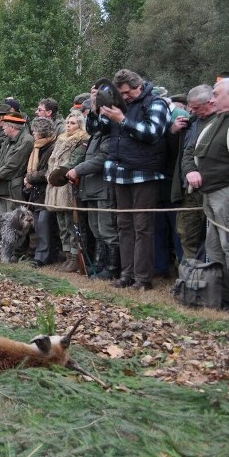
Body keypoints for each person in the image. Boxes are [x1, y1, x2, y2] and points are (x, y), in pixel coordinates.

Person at [87, 70, 171, 291]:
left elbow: (153, 133)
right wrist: (96, 108)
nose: (124, 97)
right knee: (124, 226)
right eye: (120, 93)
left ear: (139, 86)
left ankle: (143, 279)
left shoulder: (156, 103)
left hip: (145, 172)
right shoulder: (118, 105)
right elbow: (96, 130)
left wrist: (123, 120)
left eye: (127, 92)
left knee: (143, 227)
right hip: (119, 173)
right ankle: (127, 274)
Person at [183, 77, 229, 310]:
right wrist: (192, 170)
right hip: (209, 194)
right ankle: (222, 295)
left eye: (216, 94)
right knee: (215, 247)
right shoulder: (216, 121)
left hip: (228, 193)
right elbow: (193, 152)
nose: (212, 98)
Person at [68, 93, 119, 280]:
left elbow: (102, 158)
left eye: (88, 113)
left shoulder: (107, 132)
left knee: (107, 230)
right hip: (91, 188)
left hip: (103, 187)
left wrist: (78, 169)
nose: (86, 117)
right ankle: (99, 264)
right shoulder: (95, 134)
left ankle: (112, 267)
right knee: (96, 229)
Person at [44, 111, 89, 273]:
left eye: (73, 123)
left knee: (72, 224)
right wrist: (49, 176)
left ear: (80, 125)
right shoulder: (61, 140)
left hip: (68, 185)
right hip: (54, 186)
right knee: (62, 224)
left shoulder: (82, 139)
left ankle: (76, 257)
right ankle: (68, 255)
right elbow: (51, 162)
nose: (69, 126)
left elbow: (74, 161)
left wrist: (58, 176)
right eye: (68, 122)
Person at [173, 85, 214, 259]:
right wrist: (173, 131)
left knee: (214, 239)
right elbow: (185, 152)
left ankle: (211, 279)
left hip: (213, 188)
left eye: (197, 107)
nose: (193, 111)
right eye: (191, 107)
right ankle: (189, 278)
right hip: (189, 190)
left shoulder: (222, 122)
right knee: (187, 234)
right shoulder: (191, 122)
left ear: (211, 102)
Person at [24, 117, 57, 267]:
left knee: (44, 224)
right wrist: (28, 178)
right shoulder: (37, 147)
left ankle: (43, 257)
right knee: (37, 225)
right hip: (36, 193)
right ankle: (40, 254)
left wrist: (30, 178)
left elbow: (47, 171)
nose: (33, 134)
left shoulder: (52, 147)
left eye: (35, 131)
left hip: (47, 193)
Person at [0, 114, 33, 213]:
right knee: (1, 223)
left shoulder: (27, 140)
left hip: (13, 190)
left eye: (5, 125)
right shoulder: (7, 140)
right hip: (2, 187)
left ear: (12, 127)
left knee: (13, 224)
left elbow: (14, 164)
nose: (2, 127)